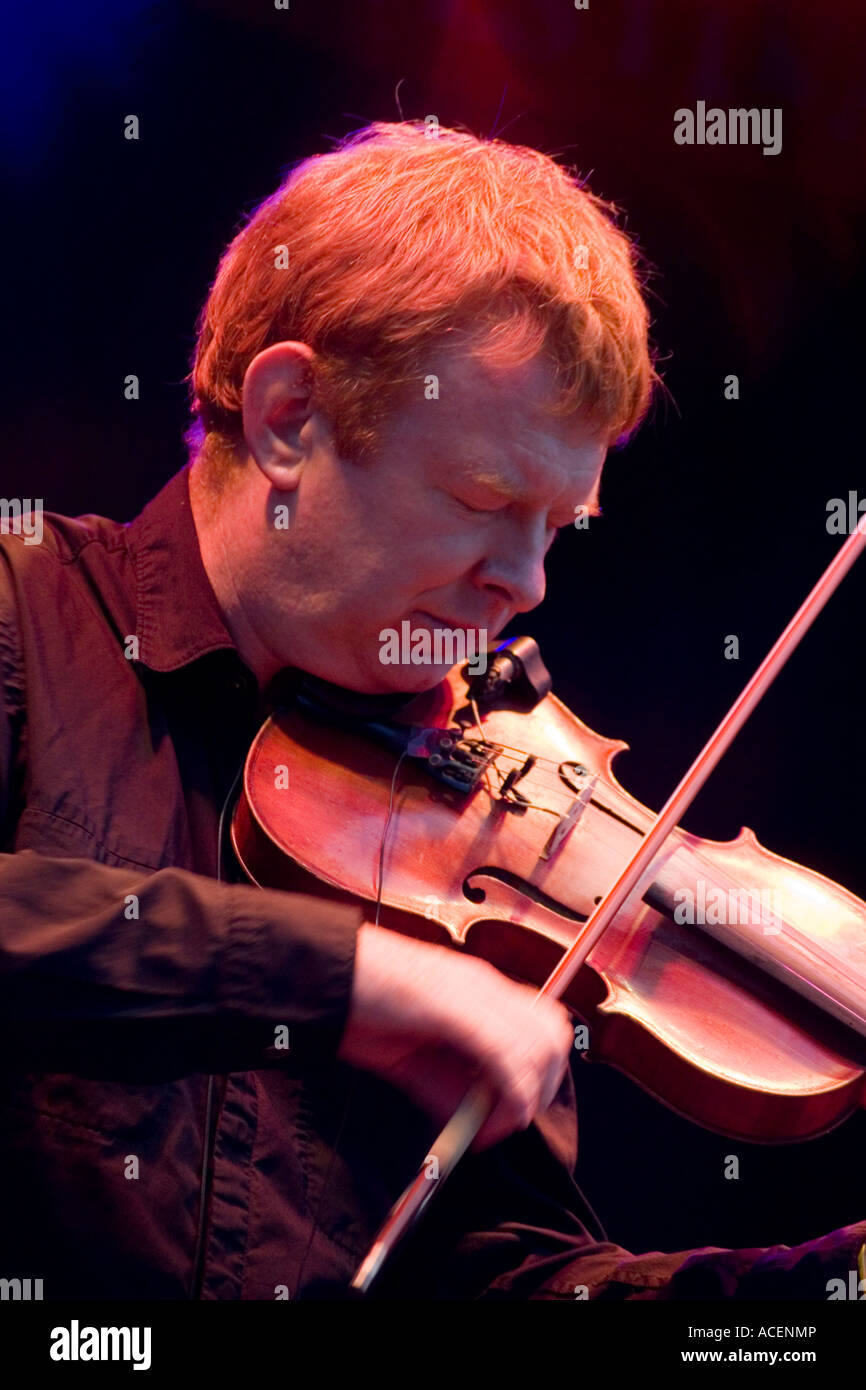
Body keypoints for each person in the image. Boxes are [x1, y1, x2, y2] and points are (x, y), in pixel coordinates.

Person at [0, 121, 862, 1301]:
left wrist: (813, 1296)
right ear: (290, 413)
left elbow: (503, 1275)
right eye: (481, 498)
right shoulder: (22, 610)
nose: (528, 583)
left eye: (557, 526)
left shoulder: (479, 854)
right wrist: (338, 974)